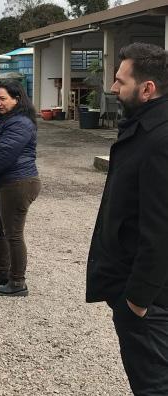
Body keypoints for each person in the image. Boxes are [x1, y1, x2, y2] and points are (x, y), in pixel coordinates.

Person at [86, 42, 168, 394]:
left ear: (147, 89)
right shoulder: (144, 127)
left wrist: (136, 301)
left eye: (121, 81)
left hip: (151, 304)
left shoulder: (159, 139)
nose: (113, 88)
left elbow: (161, 229)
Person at [0, 80, 41, 297]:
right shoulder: (8, 120)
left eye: (3, 98)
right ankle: (3, 272)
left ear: (17, 99)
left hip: (19, 183)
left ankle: (18, 282)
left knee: (13, 233)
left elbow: (6, 153)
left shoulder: (21, 122)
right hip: (7, 182)